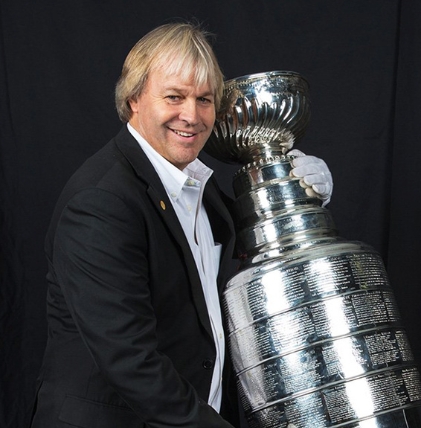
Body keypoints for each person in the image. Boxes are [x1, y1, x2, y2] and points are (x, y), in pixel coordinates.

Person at [29, 22, 333, 428]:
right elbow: (131, 361)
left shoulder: (196, 182)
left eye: (205, 100)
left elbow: (247, 243)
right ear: (134, 98)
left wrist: (297, 190)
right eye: (174, 97)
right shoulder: (101, 203)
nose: (191, 116)